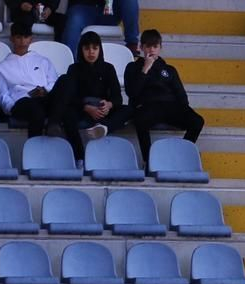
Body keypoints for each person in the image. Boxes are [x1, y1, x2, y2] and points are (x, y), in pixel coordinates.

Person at [124, 30, 204, 165]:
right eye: (148, 46)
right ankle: (149, 161)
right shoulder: (132, 67)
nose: (152, 50)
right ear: (142, 47)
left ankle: (180, 154)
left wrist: (184, 110)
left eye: (155, 46)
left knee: (197, 121)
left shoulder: (169, 69)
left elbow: (181, 94)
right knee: (140, 120)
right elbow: (132, 93)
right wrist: (145, 69)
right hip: (148, 106)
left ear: (160, 48)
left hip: (170, 106)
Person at [54, 31, 131, 164]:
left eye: (95, 48)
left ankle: (104, 128)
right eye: (87, 48)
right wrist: (86, 108)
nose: (91, 52)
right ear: (81, 50)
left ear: (99, 50)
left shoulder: (108, 68)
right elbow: (70, 97)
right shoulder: (74, 69)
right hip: (82, 108)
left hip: (102, 110)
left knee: (128, 109)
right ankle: (79, 157)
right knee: (67, 115)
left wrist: (109, 105)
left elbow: (117, 97)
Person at [0, 22, 58, 138]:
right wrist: (11, 107)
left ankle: (75, 150)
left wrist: (45, 90)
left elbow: (54, 82)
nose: (22, 41)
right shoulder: (2, 66)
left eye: (25, 37)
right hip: (21, 102)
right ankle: (34, 147)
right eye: (18, 37)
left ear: (31, 39)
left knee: (64, 81)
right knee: (36, 110)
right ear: (11, 39)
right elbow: (2, 94)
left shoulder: (43, 61)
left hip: (44, 98)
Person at [61, 0, 139, 54]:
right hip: (83, 8)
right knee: (75, 19)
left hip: (109, 9)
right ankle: (69, 62)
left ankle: (132, 45)